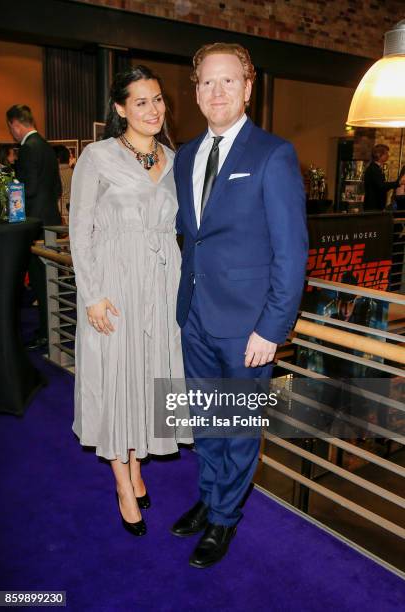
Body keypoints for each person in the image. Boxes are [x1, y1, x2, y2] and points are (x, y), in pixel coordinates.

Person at [171, 43, 308, 568]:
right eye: (207, 82)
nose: (217, 91)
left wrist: (272, 328)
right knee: (206, 421)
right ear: (197, 91)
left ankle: (226, 517)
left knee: (238, 427)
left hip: (249, 327)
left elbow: (291, 251)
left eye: (229, 81)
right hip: (197, 317)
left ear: (248, 88)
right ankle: (209, 498)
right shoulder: (185, 155)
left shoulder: (273, 153)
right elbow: (193, 238)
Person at [69, 66, 192, 537]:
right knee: (118, 378)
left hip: (162, 287)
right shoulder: (97, 158)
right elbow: (80, 231)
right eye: (141, 102)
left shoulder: (173, 158)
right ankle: (123, 483)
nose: (153, 109)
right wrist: (92, 294)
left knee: (147, 375)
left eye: (158, 99)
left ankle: (137, 465)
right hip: (115, 285)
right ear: (120, 108)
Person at [6, 104, 62, 349]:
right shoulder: (47, 146)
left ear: (15, 124)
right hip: (50, 221)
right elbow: (57, 188)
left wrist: (11, 188)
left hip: (35, 225)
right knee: (50, 280)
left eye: (11, 129)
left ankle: (46, 335)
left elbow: (27, 189)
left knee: (41, 282)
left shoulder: (28, 149)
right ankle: (51, 330)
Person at [363, 144, 398, 211]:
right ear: (379, 155)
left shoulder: (376, 168)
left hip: (376, 206)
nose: (388, 155)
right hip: (373, 207)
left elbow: (381, 186)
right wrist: (397, 183)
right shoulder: (374, 169)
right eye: (386, 153)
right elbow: (382, 186)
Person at [53, 144, 73, 224]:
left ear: (57, 159)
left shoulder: (54, 174)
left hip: (59, 214)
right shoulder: (75, 172)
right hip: (74, 212)